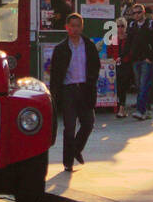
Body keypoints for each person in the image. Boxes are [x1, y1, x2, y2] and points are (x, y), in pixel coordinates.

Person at [49, 12, 101, 172]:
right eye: (72, 26)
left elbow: (95, 65)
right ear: (67, 28)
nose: (75, 29)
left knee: (88, 123)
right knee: (69, 127)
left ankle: (75, 149)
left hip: (84, 88)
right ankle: (68, 162)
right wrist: (54, 95)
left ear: (82, 27)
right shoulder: (61, 49)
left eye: (78, 26)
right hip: (68, 90)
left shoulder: (89, 45)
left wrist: (91, 80)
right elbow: (55, 74)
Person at [128, 5, 153, 121]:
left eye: (139, 12)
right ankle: (146, 110)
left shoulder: (151, 25)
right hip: (135, 59)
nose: (136, 15)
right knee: (140, 85)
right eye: (134, 13)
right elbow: (129, 42)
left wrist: (151, 57)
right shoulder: (132, 25)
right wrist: (129, 56)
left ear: (143, 12)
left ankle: (140, 110)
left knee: (143, 84)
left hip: (146, 59)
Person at [113, 15, 131, 118]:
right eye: (118, 26)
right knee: (119, 86)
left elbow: (130, 51)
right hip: (116, 65)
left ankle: (122, 107)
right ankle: (121, 107)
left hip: (126, 64)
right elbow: (110, 51)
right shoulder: (114, 38)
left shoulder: (128, 38)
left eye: (122, 26)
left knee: (123, 85)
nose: (120, 28)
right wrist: (115, 59)